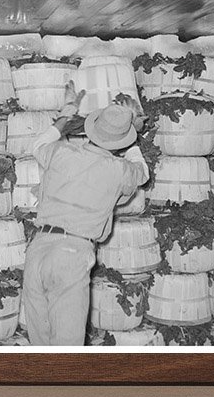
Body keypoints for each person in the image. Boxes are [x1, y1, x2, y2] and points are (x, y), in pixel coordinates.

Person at [23, 82, 149, 346]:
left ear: (92, 129)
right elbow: (142, 173)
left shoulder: (61, 152)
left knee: (39, 344)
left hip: (37, 250)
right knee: (67, 347)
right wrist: (134, 136)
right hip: (72, 254)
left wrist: (67, 113)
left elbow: (38, 144)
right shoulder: (119, 170)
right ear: (121, 141)